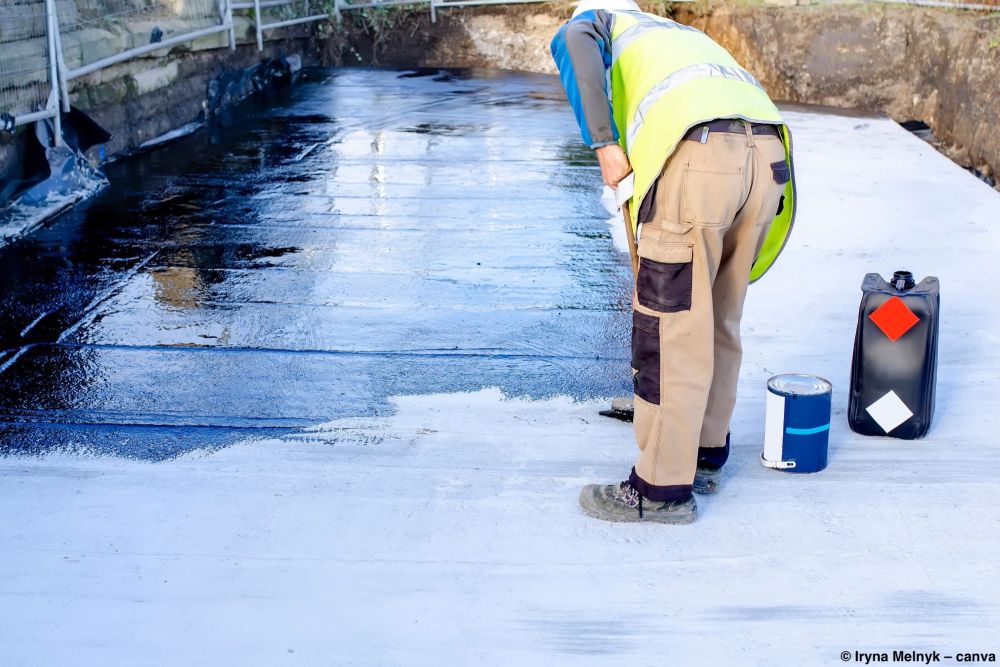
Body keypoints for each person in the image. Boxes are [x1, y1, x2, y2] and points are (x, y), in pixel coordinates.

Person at [550, 0, 797, 523]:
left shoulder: (597, 23)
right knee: (718, 315)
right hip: (767, 157)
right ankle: (705, 453)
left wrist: (603, 145)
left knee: (669, 328)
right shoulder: (672, 34)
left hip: (703, 162)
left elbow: (574, 44)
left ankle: (660, 488)